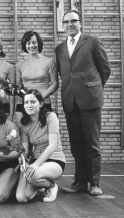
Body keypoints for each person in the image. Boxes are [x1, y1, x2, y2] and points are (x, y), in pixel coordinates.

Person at [55, 10, 111, 195]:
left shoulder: (92, 41)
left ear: (80, 23)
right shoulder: (60, 48)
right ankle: (80, 181)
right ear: (62, 26)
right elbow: (65, 75)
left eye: (73, 21)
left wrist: (91, 88)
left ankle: (94, 183)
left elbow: (105, 70)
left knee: (92, 144)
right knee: (76, 144)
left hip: (90, 100)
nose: (70, 24)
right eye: (66, 22)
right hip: (70, 101)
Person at [16, 89, 65, 203]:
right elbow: (25, 150)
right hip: (35, 162)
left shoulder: (51, 117)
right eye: (26, 102)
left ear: (41, 104)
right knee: (21, 197)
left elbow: (53, 145)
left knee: (31, 176)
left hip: (55, 160)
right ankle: (40, 183)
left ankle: (52, 186)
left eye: (33, 102)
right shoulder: (24, 125)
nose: (29, 105)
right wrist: (24, 162)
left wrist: (36, 164)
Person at [15, 30, 59, 127]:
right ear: (25, 45)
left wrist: (39, 97)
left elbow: (55, 84)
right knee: (23, 134)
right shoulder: (19, 65)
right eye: (28, 43)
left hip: (43, 102)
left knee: (43, 133)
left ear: (39, 43)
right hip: (24, 103)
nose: (31, 46)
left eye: (34, 42)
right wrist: (27, 98)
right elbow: (17, 87)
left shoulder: (49, 62)